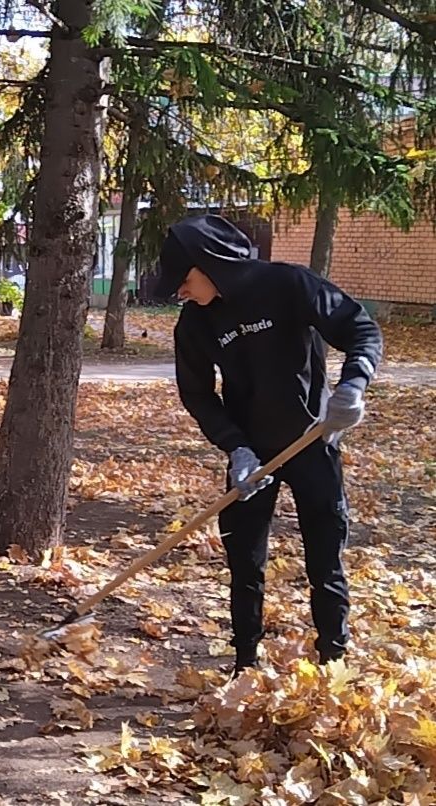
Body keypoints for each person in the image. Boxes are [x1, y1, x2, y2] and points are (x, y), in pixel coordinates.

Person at [158, 214, 383, 673]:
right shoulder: (194, 324)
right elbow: (197, 394)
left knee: (325, 557)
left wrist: (353, 387)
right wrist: (234, 446)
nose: (180, 292)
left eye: (183, 280)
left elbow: (362, 330)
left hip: (311, 439)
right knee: (244, 561)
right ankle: (244, 662)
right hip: (251, 456)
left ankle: (333, 660)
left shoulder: (289, 285)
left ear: (209, 264)